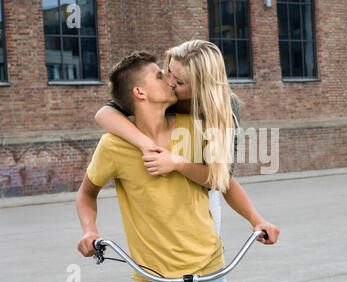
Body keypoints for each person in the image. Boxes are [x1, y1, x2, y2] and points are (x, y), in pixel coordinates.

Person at [76, 51, 279, 282]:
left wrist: (256, 219)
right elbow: (87, 194)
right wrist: (89, 230)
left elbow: (223, 180)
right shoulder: (112, 146)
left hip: (210, 275)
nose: (170, 81)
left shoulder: (194, 128)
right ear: (140, 92)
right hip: (152, 281)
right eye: (160, 77)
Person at [94, 40, 275, 239]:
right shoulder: (162, 94)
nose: (170, 82)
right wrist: (148, 146)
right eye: (169, 71)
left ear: (201, 87)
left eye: (179, 82)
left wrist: (177, 163)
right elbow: (105, 113)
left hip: (200, 190)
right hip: (158, 192)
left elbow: (221, 178)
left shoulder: (222, 107)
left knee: (205, 250)